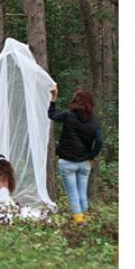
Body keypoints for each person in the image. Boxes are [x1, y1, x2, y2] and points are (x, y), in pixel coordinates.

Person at [48, 84, 103, 225]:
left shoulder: (68, 115)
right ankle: (85, 219)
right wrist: (91, 156)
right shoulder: (95, 121)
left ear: (75, 101)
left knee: (73, 193)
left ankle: (80, 222)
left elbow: (52, 114)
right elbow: (100, 141)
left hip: (67, 162)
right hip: (85, 163)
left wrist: (53, 99)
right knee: (81, 192)